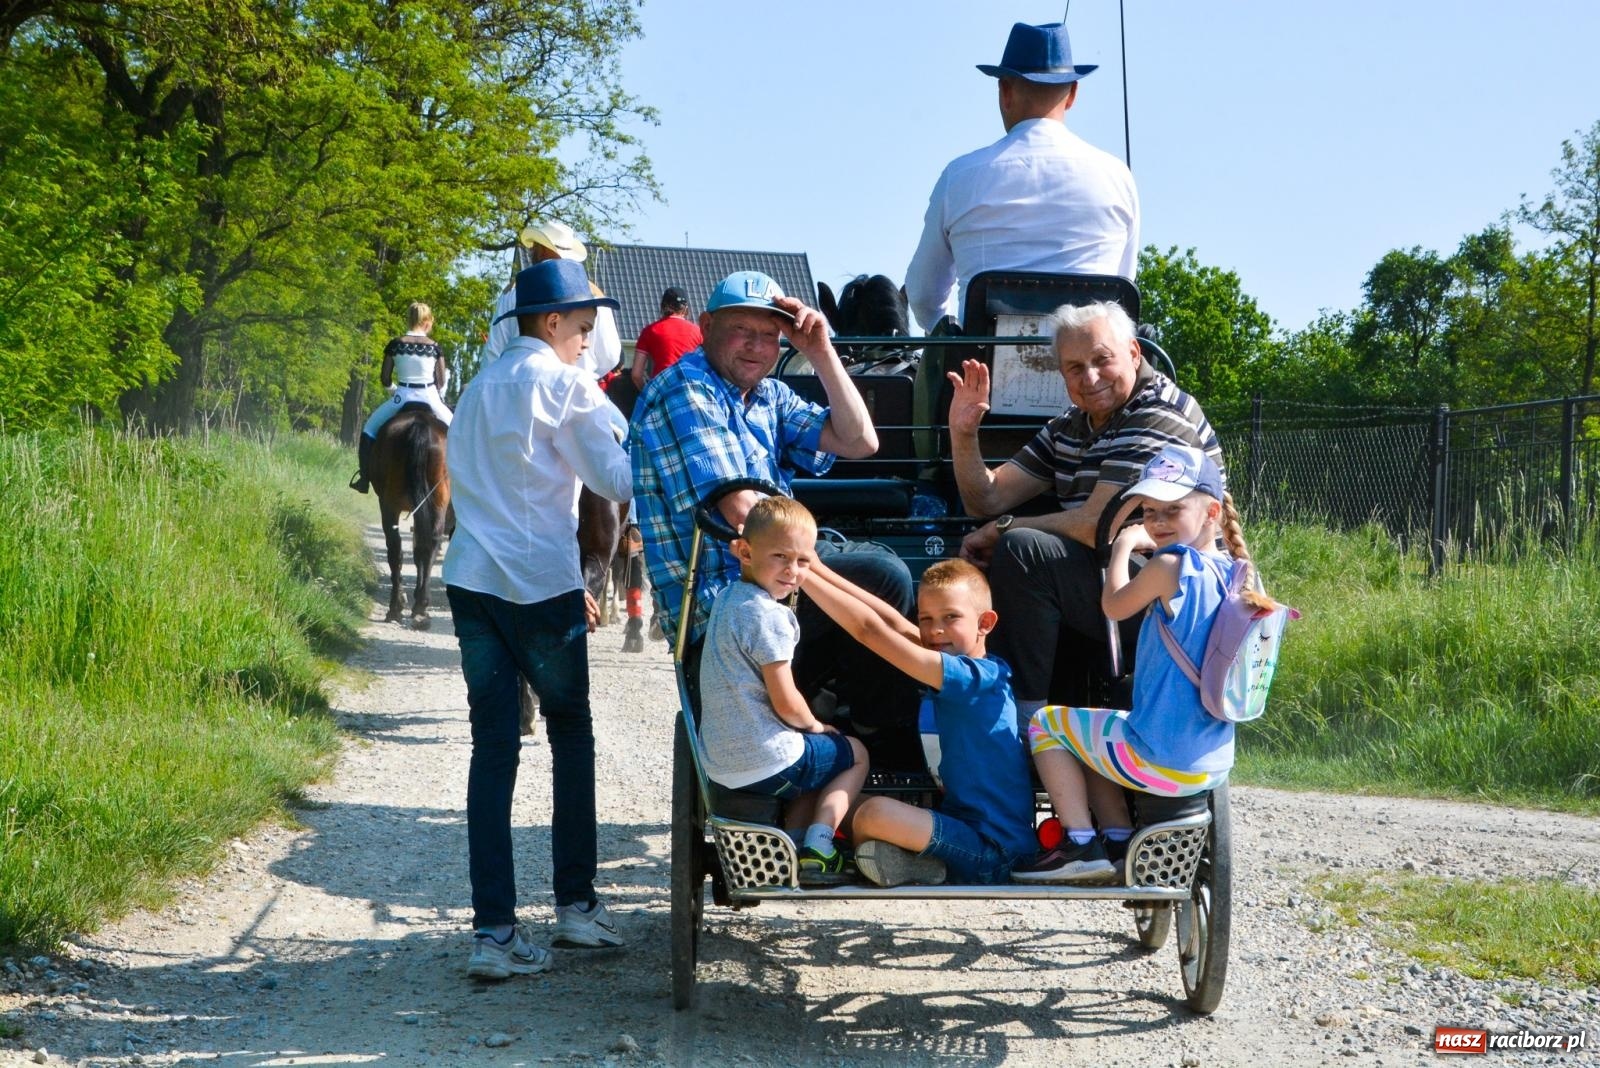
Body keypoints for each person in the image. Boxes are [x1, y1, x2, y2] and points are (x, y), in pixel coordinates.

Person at [630, 270, 923, 768]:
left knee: (887, 575)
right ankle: (879, 745)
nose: (758, 346)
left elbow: (861, 442)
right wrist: (859, 602)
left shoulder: (767, 394)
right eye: (743, 330)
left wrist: (820, 352)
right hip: (723, 596)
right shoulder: (686, 387)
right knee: (883, 578)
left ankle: (853, 733)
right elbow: (744, 515)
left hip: (773, 573)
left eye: (770, 334)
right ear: (706, 325)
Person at [442, 257, 632, 980]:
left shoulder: (479, 386)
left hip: (471, 581)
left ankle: (492, 935)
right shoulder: (563, 383)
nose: (587, 342)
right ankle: (576, 908)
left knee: (492, 750)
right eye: (583, 328)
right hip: (540, 588)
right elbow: (613, 478)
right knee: (571, 735)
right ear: (551, 323)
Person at [948, 300, 1225, 732]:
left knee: (1024, 551)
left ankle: (1021, 728)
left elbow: (1101, 523)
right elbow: (985, 499)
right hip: (1114, 579)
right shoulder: (1071, 425)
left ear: (1134, 353)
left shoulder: (1158, 414)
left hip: (1175, 598)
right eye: (1075, 368)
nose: (1090, 377)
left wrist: (1004, 531)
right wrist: (964, 433)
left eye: (1102, 360)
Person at [1012, 445, 1272, 883]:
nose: (1157, 522)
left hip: (1158, 759)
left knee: (1046, 724)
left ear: (1210, 512)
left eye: (1172, 510)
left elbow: (1113, 607)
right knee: (1095, 731)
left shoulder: (1171, 564)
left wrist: (1126, 545)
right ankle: (1116, 838)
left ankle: (1078, 843)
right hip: (1212, 762)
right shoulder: (1241, 572)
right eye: (1150, 511)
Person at [800, 558, 1036, 886]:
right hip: (959, 832)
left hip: (992, 853)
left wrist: (799, 575)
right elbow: (893, 622)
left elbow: (869, 631)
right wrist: (812, 566)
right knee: (825, 800)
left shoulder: (971, 678)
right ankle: (832, 855)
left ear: (986, 623)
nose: (935, 630)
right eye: (926, 619)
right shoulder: (961, 661)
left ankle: (909, 863)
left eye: (950, 617)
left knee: (873, 814)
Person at [903, 21, 1140, 333]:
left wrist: (953, 342)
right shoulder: (1117, 177)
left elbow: (922, 295)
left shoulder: (959, 177)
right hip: (1093, 374)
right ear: (1072, 94)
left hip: (979, 372)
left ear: (1004, 91)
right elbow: (1122, 292)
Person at [697, 496, 869, 885]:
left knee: (814, 760)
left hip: (721, 765)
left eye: (804, 561)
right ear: (743, 550)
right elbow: (786, 700)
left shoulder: (726, 601)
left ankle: (790, 845)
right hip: (766, 760)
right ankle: (820, 846)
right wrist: (816, 725)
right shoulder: (770, 615)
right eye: (780, 557)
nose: (793, 571)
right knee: (854, 753)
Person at [483, 219, 623, 381]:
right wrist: (586, 376)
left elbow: (493, 353)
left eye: (534, 247)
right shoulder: (595, 294)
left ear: (541, 250)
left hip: (519, 389)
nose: (531, 252)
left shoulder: (515, 290)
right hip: (579, 392)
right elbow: (611, 355)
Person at [349, 301, 452, 493]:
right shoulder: (435, 347)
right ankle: (463, 484)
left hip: (402, 397)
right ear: (427, 322)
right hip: (430, 397)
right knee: (459, 434)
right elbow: (441, 381)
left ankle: (363, 479)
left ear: (409, 319)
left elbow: (385, 378)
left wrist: (395, 389)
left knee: (368, 431)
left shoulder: (395, 344)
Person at [630, 285, 702, 392]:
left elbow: (636, 374)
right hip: (691, 392)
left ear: (662, 307)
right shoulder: (698, 332)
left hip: (662, 393)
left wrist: (647, 394)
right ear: (685, 308)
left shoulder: (649, 331)